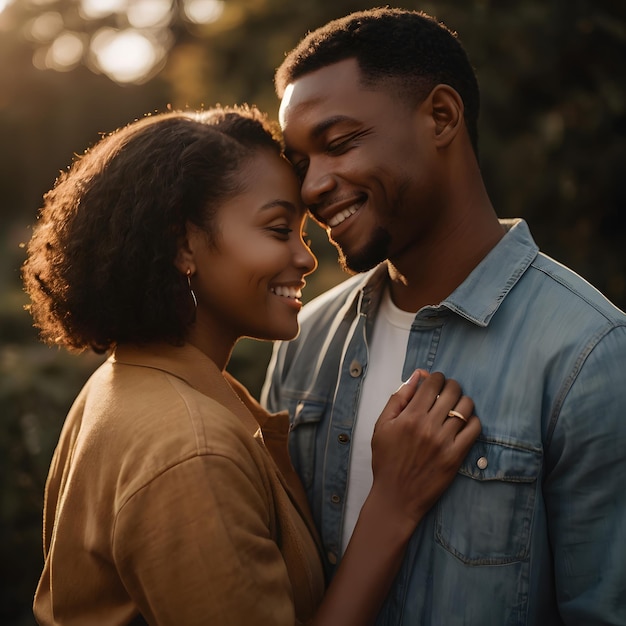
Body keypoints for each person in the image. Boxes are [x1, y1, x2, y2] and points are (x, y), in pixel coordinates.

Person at [23, 105, 480, 626]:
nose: (306, 258)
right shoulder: (192, 450)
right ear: (184, 243)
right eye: (279, 228)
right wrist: (393, 505)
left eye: (303, 233)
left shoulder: (126, 381)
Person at [261, 7, 626, 625]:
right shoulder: (304, 339)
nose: (312, 187)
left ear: (441, 117)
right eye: (301, 164)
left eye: (339, 143)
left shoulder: (588, 355)